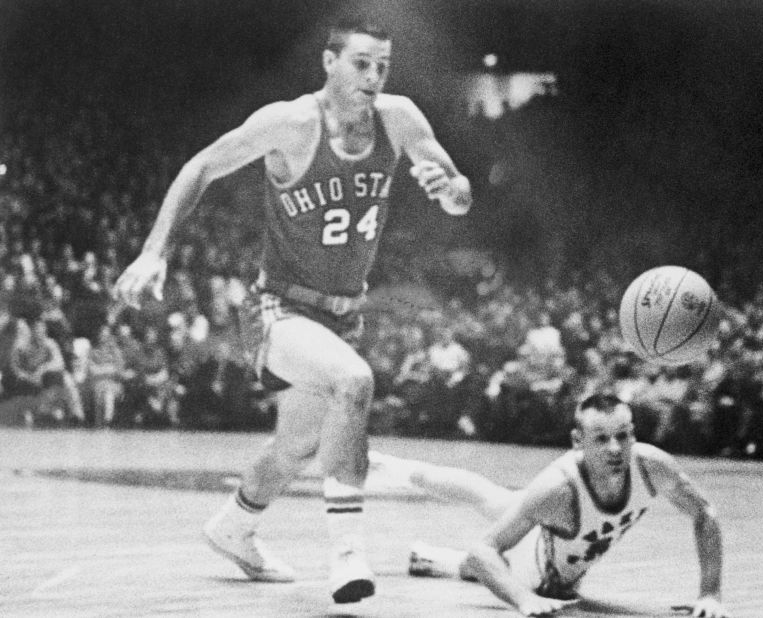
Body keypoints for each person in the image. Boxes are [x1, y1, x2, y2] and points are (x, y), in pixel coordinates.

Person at [113, 17, 471, 604]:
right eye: (361, 62)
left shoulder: (400, 118)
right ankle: (348, 553)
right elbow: (199, 166)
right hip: (277, 308)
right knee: (355, 380)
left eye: (383, 65)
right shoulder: (292, 123)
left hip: (340, 314)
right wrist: (155, 252)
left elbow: (458, 192)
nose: (374, 76)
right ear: (329, 62)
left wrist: (450, 190)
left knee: (294, 449)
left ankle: (233, 527)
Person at [372, 393, 730, 617]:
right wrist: (523, 599)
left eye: (623, 436)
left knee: (492, 497)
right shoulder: (555, 489)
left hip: (555, 541)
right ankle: (378, 465)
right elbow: (483, 552)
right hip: (541, 574)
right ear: (578, 441)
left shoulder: (652, 466)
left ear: (633, 434)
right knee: (494, 536)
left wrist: (710, 594)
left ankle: (426, 550)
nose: (615, 449)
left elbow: (704, 514)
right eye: (601, 439)